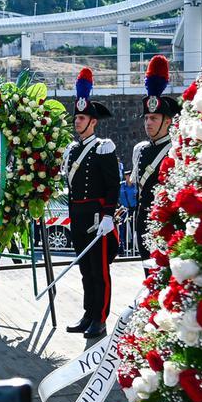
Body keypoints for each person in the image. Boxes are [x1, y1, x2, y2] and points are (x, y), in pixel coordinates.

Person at [61, 68, 120, 339]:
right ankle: (88, 313)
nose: (77, 122)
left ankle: (101, 318)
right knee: (86, 271)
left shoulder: (103, 147)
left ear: (93, 122)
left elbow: (112, 185)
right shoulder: (72, 150)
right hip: (78, 216)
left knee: (100, 271)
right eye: (76, 117)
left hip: (98, 218)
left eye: (82, 118)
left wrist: (108, 215)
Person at [130, 55, 180, 274]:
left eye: (154, 119)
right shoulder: (140, 150)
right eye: (146, 118)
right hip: (142, 221)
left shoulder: (175, 150)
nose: (148, 123)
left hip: (164, 224)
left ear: (167, 121)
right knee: (147, 275)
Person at [118, 169, 137, 254]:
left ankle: (134, 247)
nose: (129, 177)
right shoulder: (121, 186)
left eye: (130, 175)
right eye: (127, 175)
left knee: (133, 228)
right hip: (123, 209)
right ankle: (122, 246)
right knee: (122, 228)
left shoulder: (135, 186)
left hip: (133, 209)